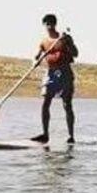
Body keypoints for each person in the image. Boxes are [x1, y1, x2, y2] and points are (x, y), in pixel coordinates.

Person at [30, 14, 79, 144]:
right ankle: (45, 134)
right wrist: (36, 60)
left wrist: (68, 42)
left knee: (67, 104)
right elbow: (37, 56)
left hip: (64, 72)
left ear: (55, 24)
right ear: (44, 25)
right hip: (50, 73)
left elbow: (75, 54)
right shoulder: (44, 41)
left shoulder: (64, 38)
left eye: (51, 23)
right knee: (46, 102)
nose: (49, 25)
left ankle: (71, 136)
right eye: (47, 23)